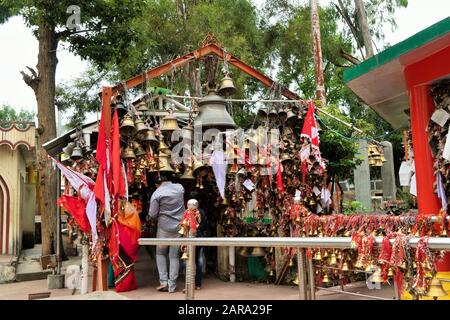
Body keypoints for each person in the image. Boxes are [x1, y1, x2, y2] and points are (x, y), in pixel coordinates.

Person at [148, 173, 185, 293]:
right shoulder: (180, 188)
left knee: (160, 253)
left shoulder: (156, 193)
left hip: (164, 228)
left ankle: (163, 282)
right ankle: (172, 286)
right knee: (174, 256)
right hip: (179, 227)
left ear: (156, 184)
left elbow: (152, 214)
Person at [188, 191, 207, 290]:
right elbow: (204, 226)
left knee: (188, 260)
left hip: (189, 238)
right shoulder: (202, 212)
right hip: (199, 236)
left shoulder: (186, 211)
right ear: (198, 201)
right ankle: (198, 284)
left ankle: (189, 283)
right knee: (198, 260)